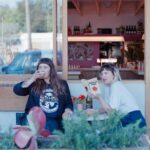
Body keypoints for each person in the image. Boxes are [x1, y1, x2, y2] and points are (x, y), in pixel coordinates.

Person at [13, 58, 73, 133]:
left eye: (45, 67)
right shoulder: (33, 84)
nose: (42, 69)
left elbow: (69, 103)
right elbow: (17, 90)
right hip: (35, 118)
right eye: (40, 67)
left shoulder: (62, 84)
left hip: (53, 119)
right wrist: (32, 79)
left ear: (51, 70)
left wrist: (67, 111)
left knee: (49, 126)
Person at [94, 63, 146, 128]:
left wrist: (99, 98)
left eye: (106, 73)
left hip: (133, 120)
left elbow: (111, 112)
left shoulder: (116, 86)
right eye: (101, 74)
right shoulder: (108, 87)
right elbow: (107, 108)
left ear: (114, 74)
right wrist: (94, 112)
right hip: (128, 119)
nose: (103, 76)